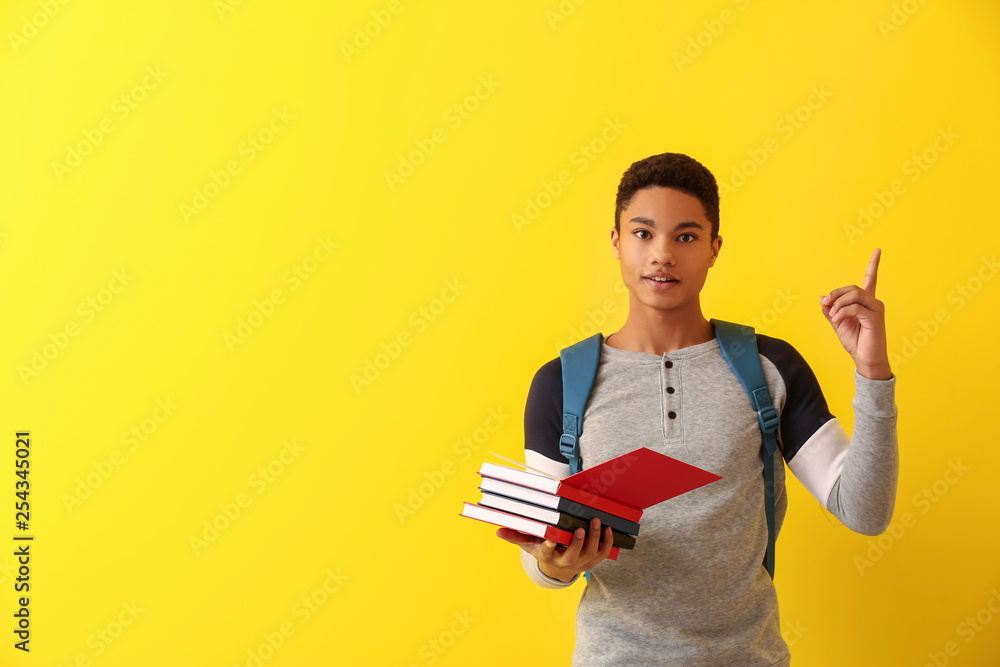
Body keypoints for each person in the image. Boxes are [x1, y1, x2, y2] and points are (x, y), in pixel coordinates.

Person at [496, 152, 899, 666]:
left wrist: (874, 372)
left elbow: (864, 512)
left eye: (685, 236)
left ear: (714, 248)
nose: (662, 254)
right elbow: (540, 565)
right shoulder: (560, 383)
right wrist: (556, 565)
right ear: (616, 242)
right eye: (643, 233)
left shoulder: (769, 367)